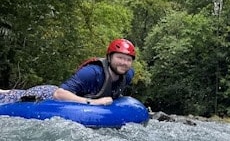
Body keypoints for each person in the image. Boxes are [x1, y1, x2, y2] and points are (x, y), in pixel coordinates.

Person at [0, 39, 136, 106]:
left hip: (67, 95)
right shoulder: (92, 72)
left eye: (128, 60)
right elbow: (59, 94)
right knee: (12, 96)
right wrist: (94, 103)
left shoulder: (128, 75)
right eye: (120, 58)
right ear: (109, 58)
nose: (124, 63)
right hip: (47, 94)